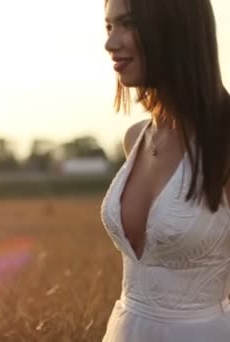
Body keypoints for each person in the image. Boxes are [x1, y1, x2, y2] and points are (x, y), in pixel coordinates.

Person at [100, 0, 230, 340]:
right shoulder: (136, 139)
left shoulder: (225, 141)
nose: (111, 43)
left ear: (176, 28)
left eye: (127, 23)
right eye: (109, 26)